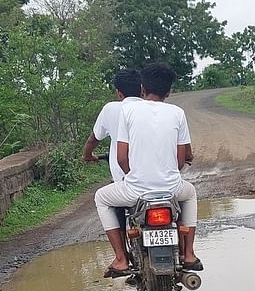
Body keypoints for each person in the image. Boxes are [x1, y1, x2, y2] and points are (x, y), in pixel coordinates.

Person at [94, 62, 200, 277]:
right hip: (171, 190)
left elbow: (121, 157)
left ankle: (122, 260)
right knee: (190, 194)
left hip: (136, 191)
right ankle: (188, 254)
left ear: (142, 88)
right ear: (169, 91)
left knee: (101, 198)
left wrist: (132, 177)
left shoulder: (129, 110)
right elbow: (180, 161)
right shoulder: (178, 113)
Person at [83, 69, 143, 231]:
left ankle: (121, 255)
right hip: (159, 181)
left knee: (103, 198)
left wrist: (87, 155)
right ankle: (186, 249)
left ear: (118, 93)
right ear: (142, 89)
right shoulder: (154, 108)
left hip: (129, 183)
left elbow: (93, 139)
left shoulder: (111, 109)